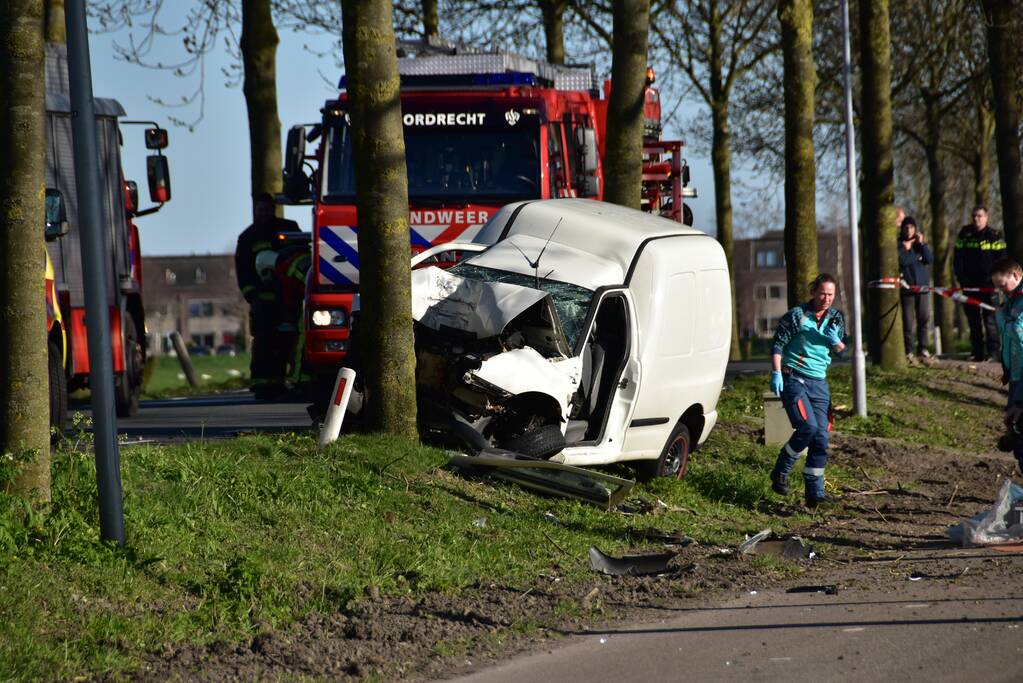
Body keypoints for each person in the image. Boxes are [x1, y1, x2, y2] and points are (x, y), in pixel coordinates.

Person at [768, 274, 846, 508]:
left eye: (831, 294)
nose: (826, 299)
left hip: (819, 383)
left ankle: (814, 492)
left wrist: (837, 342)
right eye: (822, 293)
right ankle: (781, 470)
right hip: (795, 379)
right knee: (808, 427)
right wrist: (776, 372)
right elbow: (778, 344)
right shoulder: (797, 316)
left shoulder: (836, 318)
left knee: (821, 437)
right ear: (813, 292)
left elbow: (842, 350)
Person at [235, 192, 302, 399]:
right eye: (260, 210)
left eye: (267, 210)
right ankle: (263, 385)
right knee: (264, 345)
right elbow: (243, 271)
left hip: (290, 300)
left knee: (290, 341)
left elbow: (300, 255)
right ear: (255, 212)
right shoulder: (247, 238)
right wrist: (253, 297)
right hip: (263, 303)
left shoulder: (289, 229)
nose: (264, 214)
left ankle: (288, 381)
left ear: (274, 210)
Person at [954, 206, 1006, 361]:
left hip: (989, 286)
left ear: (986, 217)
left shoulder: (994, 236)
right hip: (969, 285)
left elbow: (1001, 260)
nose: (976, 219)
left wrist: (998, 282)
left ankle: (993, 353)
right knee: (973, 320)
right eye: (974, 216)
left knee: (990, 320)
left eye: (980, 216)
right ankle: (977, 352)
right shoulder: (965, 235)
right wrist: (961, 278)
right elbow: (957, 259)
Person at [992, 257, 1023, 475]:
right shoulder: (1011, 300)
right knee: (1015, 425)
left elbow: (1019, 333)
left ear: (1016, 275)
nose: (1001, 291)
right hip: (1015, 374)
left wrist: (1002, 318)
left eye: (1003, 285)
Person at [897, 216, 933, 363]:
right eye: (906, 227)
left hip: (923, 289)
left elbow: (929, 259)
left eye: (912, 227)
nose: (909, 230)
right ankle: (909, 350)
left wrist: (922, 245)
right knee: (908, 322)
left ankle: (923, 348)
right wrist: (911, 253)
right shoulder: (899, 245)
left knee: (923, 319)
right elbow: (902, 261)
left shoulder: (920, 245)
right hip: (907, 290)